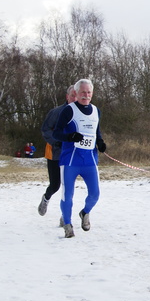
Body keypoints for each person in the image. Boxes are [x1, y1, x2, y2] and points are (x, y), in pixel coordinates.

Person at [52, 78, 107, 238]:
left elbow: (96, 131)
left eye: (89, 92)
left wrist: (101, 142)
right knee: (67, 194)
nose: (86, 95)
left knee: (95, 194)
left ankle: (85, 213)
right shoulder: (69, 110)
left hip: (89, 161)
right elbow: (56, 133)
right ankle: (68, 224)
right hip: (70, 161)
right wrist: (70, 137)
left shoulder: (96, 111)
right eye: (83, 92)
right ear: (76, 93)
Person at [38, 85, 77, 219]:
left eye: (78, 96)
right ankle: (46, 198)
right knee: (55, 185)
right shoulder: (56, 112)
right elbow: (45, 130)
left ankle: (64, 215)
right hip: (55, 154)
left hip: (72, 155)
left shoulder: (81, 113)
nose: (75, 98)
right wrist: (57, 141)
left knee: (69, 186)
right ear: (67, 97)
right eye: (73, 95)